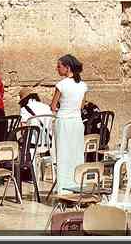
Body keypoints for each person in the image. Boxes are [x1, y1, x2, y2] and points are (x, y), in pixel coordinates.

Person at [50, 54, 87, 194]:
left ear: (67, 68)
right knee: (76, 153)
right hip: (77, 122)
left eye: (59, 66)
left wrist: (62, 109)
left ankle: (64, 188)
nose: (57, 69)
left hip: (64, 121)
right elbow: (81, 106)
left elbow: (53, 106)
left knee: (63, 154)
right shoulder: (83, 86)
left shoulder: (61, 85)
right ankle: (76, 185)